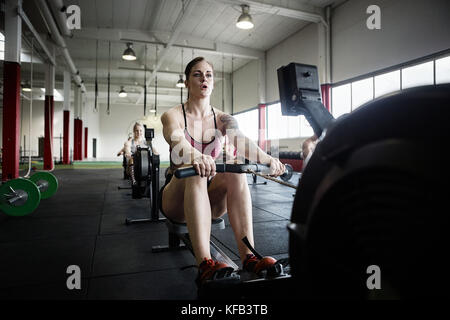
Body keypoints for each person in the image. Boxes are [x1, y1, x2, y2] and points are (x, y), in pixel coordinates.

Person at [159, 57, 286, 286]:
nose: (204, 78)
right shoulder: (173, 115)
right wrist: (197, 156)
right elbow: (177, 139)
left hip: (211, 199)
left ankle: (248, 257)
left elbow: (242, 140)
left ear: (213, 82)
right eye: (197, 74)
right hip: (176, 198)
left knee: (235, 168)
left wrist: (268, 159)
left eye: (208, 74)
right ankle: (205, 264)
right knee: (195, 170)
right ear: (187, 82)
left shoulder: (224, 119)